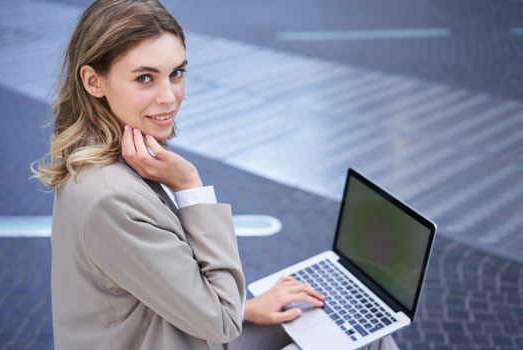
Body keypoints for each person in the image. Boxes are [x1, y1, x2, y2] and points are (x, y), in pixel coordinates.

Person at [32, 1, 398, 349]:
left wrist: (247, 308)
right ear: (94, 81)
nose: (169, 97)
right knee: (366, 340)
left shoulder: (104, 162)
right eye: (145, 78)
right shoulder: (113, 197)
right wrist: (190, 186)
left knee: (343, 327)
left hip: (170, 331)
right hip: (181, 336)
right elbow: (220, 321)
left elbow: (159, 286)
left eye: (176, 73)